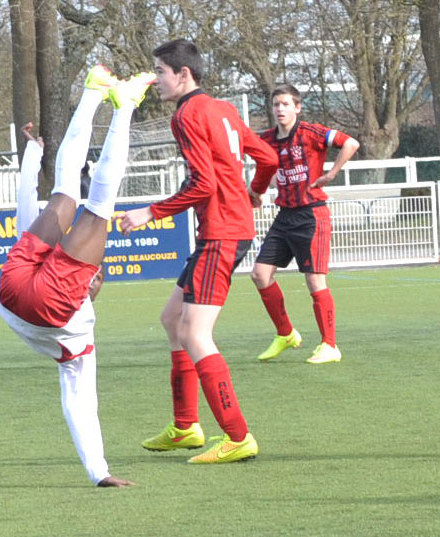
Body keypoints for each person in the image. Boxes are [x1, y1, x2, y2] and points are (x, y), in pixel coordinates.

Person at [119, 39, 279, 464]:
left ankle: (237, 435)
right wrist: (255, 192)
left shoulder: (187, 115)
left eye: (160, 71)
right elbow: (267, 157)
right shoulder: (224, 109)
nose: (155, 80)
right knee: (172, 318)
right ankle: (186, 426)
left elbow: (203, 184)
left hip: (222, 232)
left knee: (194, 333)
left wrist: (150, 213)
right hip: (229, 226)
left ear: (183, 74)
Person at [0, 65, 155, 485]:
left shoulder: (81, 337)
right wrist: (32, 156)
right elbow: (77, 405)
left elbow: (82, 404)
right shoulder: (76, 346)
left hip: (30, 295)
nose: (95, 274)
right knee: (72, 195)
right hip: (10, 295)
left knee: (90, 201)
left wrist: (99, 472)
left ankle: (117, 103)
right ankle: (98, 94)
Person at [247, 84, 359, 364]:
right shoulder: (268, 140)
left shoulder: (310, 132)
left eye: (286, 104)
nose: (280, 109)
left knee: (314, 280)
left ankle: (330, 345)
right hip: (284, 215)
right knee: (260, 274)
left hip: (311, 214)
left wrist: (332, 173)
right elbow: (262, 164)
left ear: (297, 107)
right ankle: (285, 334)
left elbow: (351, 143)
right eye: (276, 105)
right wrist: (258, 190)